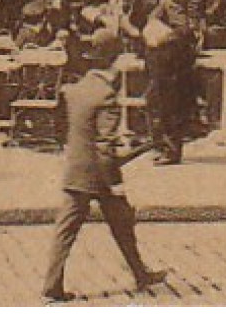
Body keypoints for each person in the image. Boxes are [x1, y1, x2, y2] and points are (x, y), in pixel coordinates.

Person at [40, 27, 166, 303]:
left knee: (73, 230)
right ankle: (139, 274)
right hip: (100, 175)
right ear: (114, 57)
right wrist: (116, 184)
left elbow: (66, 131)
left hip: (77, 169)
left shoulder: (77, 90)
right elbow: (104, 147)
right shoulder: (106, 95)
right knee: (120, 222)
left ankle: (54, 285)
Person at [138, 0, 194, 166]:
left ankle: (169, 149)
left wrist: (161, 38)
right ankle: (163, 146)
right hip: (162, 61)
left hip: (168, 62)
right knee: (158, 102)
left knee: (166, 104)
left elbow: (183, 29)